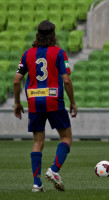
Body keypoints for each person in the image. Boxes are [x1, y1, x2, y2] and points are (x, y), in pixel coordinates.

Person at [13, 20, 77, 192]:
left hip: (34, 101)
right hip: (54, 99)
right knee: (66, 138)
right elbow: (66, 80)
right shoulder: (59, 53)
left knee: (37, 142)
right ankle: (54, 170)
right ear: (53, 35)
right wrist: (72, 102)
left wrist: (18, 103)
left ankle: (36, 183)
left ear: (38, 35)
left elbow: (17, 80)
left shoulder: (27, 54)